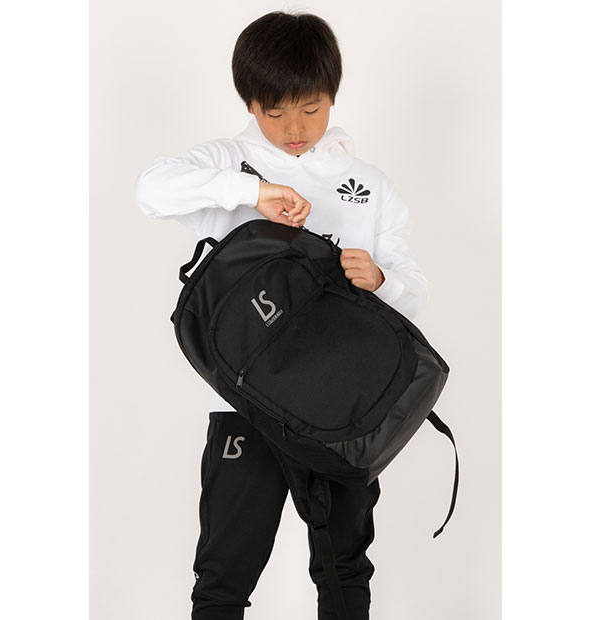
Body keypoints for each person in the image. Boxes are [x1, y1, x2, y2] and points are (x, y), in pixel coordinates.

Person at [135, 10, 428, 620]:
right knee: (224, 569)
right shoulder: (228, 161)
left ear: (333, 96)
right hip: (244, 402)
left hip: (341, 406)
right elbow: (151, 189)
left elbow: (412, 286)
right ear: (250, 103)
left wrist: (383, 280)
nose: (295, 128)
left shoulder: (368, 184)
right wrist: (253, 193)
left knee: (344, 567)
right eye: (274, 112)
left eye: (311, 109)